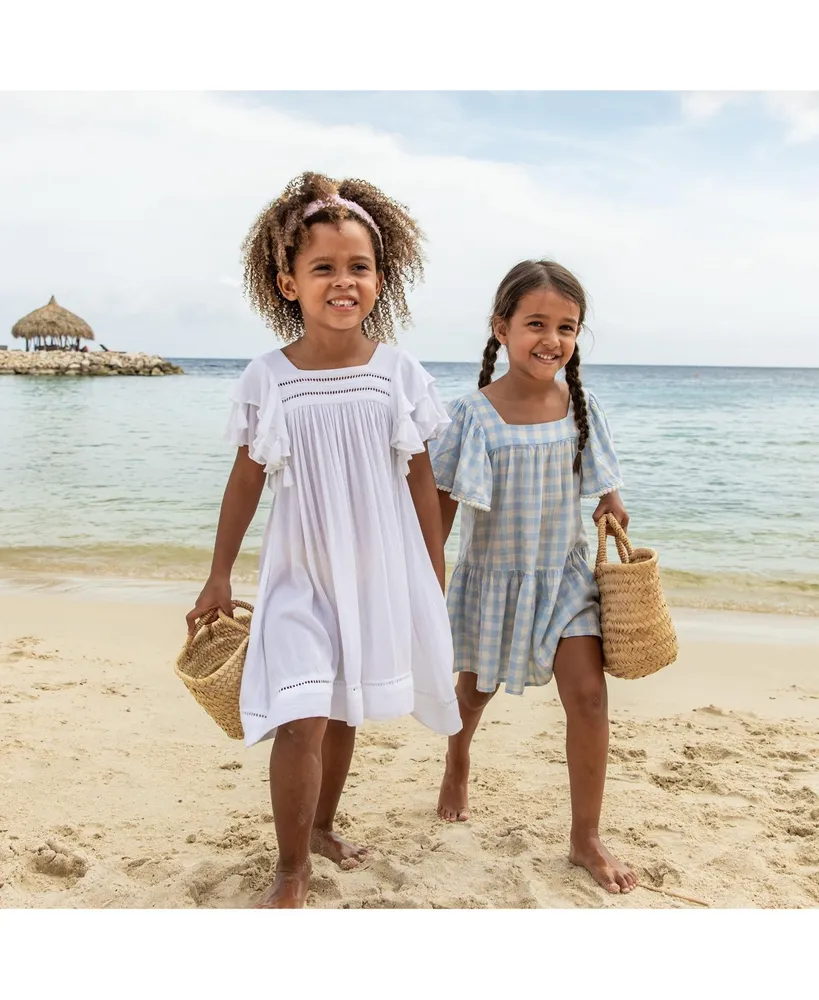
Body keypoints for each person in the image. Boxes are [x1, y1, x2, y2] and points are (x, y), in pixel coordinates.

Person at [187, 172, 461, 908]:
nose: (343, 281)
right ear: (288, 281)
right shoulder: (267, 377)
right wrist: (218, 574)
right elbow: (245, 481)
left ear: (380, 278)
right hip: (297, 575)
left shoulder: (397, 374)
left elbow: (419, 482)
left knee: (342, 713)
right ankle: (290, 869)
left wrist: (430, 575)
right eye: (323, 268)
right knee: (300, 716)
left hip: (373, 573)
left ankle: (322, 827)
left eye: (359, 267)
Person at [430, 259, 638, 894]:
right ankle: (458, 758)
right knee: (473, 694)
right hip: (495, 578)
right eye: (536, 324)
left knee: (590, 697)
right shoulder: (472, 416)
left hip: (566, 579)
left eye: (567, 327)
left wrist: (609, 501)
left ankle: (585, 838)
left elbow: (604, 484)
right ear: (502, 328)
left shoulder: (581, 405)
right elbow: (440, 508)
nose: (552, 339)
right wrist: (424, 576)